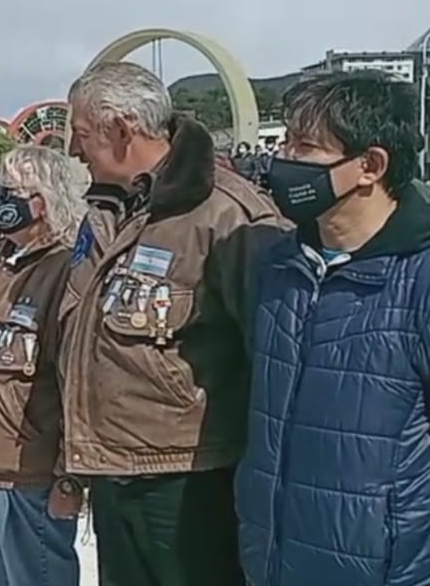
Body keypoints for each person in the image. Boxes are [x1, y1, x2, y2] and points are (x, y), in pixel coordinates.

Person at [61, 61, 280, 586]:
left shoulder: (229, 218)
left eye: (83, 134)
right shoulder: (110, 211)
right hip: (115, 468)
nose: (73, 150)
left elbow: (271, 356)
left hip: (187, 481)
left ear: (121, 130)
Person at [236, 71, 430, 586]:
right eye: (284, 140)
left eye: (304, 146)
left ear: (369, 167)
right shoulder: (278, 267)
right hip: (272, 560)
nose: (282, 158)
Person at [0, 147, 87, 586]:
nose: (0, 200)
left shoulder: (65, 269)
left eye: (13, 191)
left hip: (27, 473)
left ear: (43, 200)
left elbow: (77, 382)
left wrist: (69, 478)